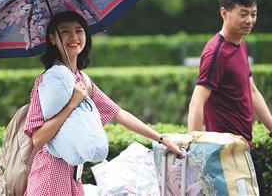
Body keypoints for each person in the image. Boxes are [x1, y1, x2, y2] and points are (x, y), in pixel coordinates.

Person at [24, 11, 184, 196]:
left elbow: (118, 113)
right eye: (65, 31)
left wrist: (162, 139)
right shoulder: (46, 82)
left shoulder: (83, 81)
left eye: (79, 30)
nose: (74, 37)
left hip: (73, 177)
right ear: (52, 38)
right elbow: (38, 139)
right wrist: (71, 105)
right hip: (49, 176)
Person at [187, 0, 272, 194]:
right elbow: (196, 102)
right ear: (224, 13)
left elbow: (252, 91)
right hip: (224, 156)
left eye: (253, 14)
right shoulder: (216, 53)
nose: (250, 20)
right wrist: (195, 152)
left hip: (242, 150)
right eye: (243, 14)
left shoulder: (240, 44)